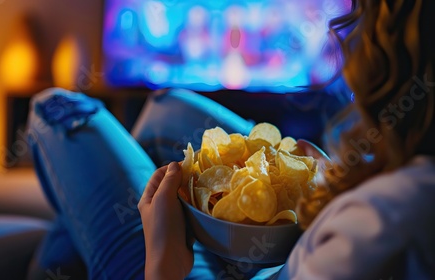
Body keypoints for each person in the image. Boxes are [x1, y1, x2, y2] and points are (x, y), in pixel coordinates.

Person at [139, 0, 435, 279]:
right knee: (166, 106)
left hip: (196, 267)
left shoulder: (379, 221)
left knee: (93, 120)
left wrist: (162, 263)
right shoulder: (411, 176)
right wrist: (334, 187)